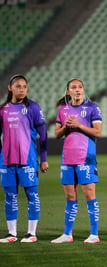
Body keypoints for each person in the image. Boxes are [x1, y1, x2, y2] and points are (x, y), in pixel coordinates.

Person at [51, 79, 102, 244]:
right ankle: (67, 234)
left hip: (86, 157)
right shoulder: (63, 109)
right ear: (68, 92)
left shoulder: (92, 107)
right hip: (67, 157)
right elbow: (57, 134)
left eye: (80, 87)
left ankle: (94, 234)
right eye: (74, 87)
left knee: (89, 194)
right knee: (70, 196)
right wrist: (66, 126)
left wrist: (79, 125)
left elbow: (98, 132)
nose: (78, 90)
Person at [0, 74, 48, 243]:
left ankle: (31, 233)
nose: (22, 89)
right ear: (10, 88)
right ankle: (12, 234)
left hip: (28, 159)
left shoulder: (33, 107)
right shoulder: (2, 109)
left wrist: (43, 158)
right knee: (10, 196)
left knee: (32, 195)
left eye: (24, 87)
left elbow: (43, 135)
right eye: (18, 86)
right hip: (6, 159)